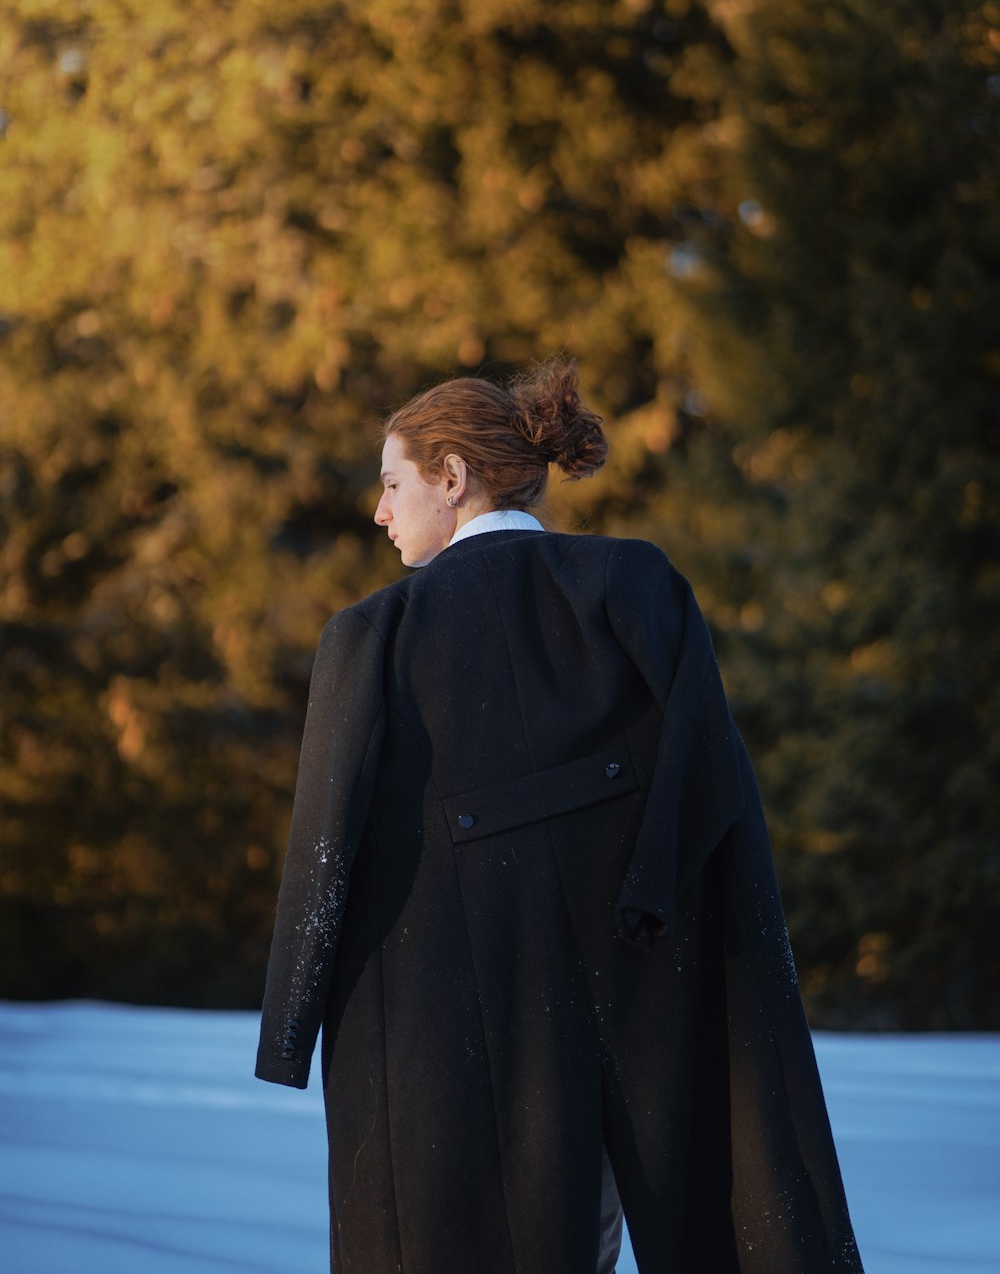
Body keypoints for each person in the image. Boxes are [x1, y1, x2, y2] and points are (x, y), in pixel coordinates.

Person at [255, 357, 865, 1274]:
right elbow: (709, 774)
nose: (378, 512)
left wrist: (289, 1022)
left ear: (452, 477)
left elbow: (323, 848)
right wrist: (651, 899)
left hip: (456, 1034)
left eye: (391, 484)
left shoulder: (372, 639)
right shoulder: (637, 585)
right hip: (656, 996)